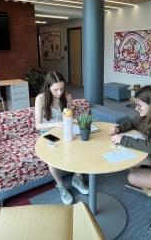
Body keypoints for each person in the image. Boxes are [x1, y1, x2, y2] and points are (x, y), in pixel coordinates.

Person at [35, 71, 88, 205]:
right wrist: (56, 124)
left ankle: (77, 177)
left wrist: (74, 122)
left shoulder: (67, 96)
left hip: (66, 129)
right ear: (48, 88)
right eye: (55, 89)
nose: (59, 92)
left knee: (81, 146)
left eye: (62, 88)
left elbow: (72, 116)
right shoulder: (40, 99)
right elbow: (38, 125)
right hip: (48, 132)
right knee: (52, 158)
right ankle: (61, 186)